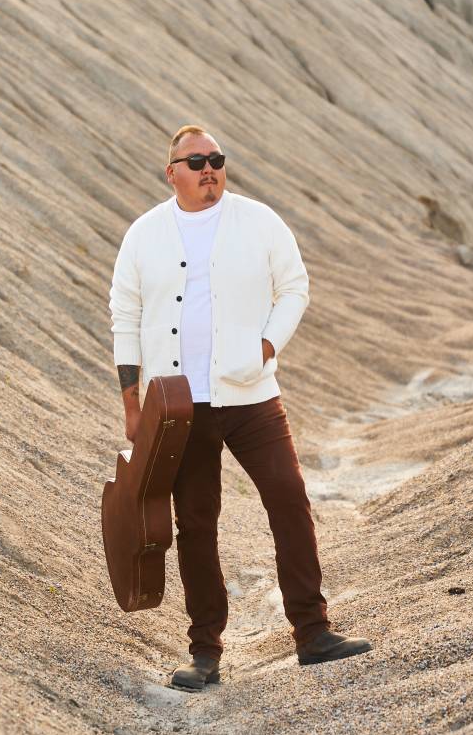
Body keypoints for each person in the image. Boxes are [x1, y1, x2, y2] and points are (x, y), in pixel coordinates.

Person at [108, 124, 373, 690]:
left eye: (217, 159)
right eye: (196, 161)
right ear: (171, 172)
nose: (209, 169)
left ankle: (313, 632)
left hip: (251, 395)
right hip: (179, 407)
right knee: (197, 524)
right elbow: (124, 317)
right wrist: (131, 402)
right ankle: (205, 653)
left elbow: (295, 287)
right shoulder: (144, 235)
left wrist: (267, 345)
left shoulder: (260, 221)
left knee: (289, 497)